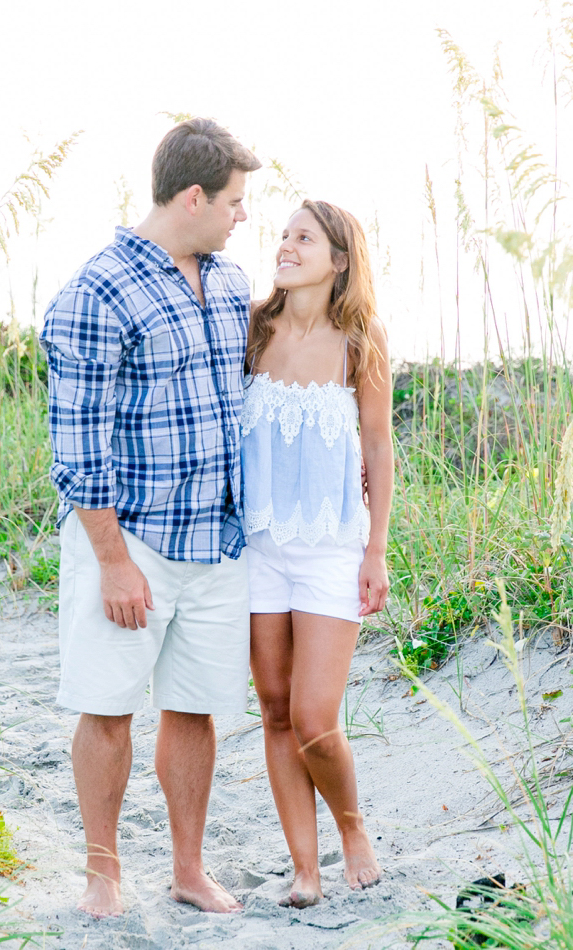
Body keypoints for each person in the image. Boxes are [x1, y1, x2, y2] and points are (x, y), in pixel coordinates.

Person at [41, 118, 260, 918]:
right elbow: (77, 446)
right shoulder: (96, 293)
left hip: (217, 538)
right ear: (194, 196)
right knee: (107, 707)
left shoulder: (230, 282)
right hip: (131, 539)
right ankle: (103, 876)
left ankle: (188, 869)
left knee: (194, 709)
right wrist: (112, 561)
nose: (243, 216)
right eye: (235, 201)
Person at [241, 199, 393, 907]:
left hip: (333, 549)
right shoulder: (252, 329)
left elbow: (378, 448)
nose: (286, 246)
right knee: (273, 711)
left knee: (313, 720)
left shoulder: (361, 344)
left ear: (339, 260)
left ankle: (352, 826)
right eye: (283, 235)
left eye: (304, 237)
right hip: (257, 548)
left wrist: (377, 551)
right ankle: (306, 869)